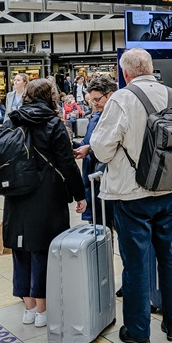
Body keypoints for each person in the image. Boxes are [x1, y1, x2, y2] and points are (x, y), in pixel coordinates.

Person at [89, 48, 172, 343]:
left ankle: (138, 331)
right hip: (170, 189)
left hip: (133, 194)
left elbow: (102, 147)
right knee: (169, 258)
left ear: (126, 73)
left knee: (135, 263)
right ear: (150, 68)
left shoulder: (122, 98)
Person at [1, 78, 86, 329]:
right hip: (47, 193)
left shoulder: (13, 119)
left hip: (16, 193)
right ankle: (43, 309)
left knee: (21, 246)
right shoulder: (53, 124)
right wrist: (79, 194)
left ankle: (28, 308)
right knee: (44, 248)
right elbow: (66, 163)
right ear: (50, 97)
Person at [73, 74, 117, 228]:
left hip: (111, 183)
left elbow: (114, 146)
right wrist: (74, 145)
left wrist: (89, 149)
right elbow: (88, 141)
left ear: (110, 95)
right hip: (93, 182)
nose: (95, 104)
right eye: (92, 100)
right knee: (99, 231)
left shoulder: (119, 118)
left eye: (97, 100)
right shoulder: (96, 116)